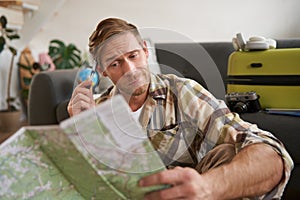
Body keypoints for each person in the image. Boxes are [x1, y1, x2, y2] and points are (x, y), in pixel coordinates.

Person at [67, 17, 293, 199]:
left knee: (230, 153)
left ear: (145, 51)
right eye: (115, 63)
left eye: (133, 56)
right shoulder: (96, 111)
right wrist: (81, 130)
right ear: (103, 71)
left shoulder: (182, 92)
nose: (130, 70)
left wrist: (207, 186)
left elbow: (271, 152)